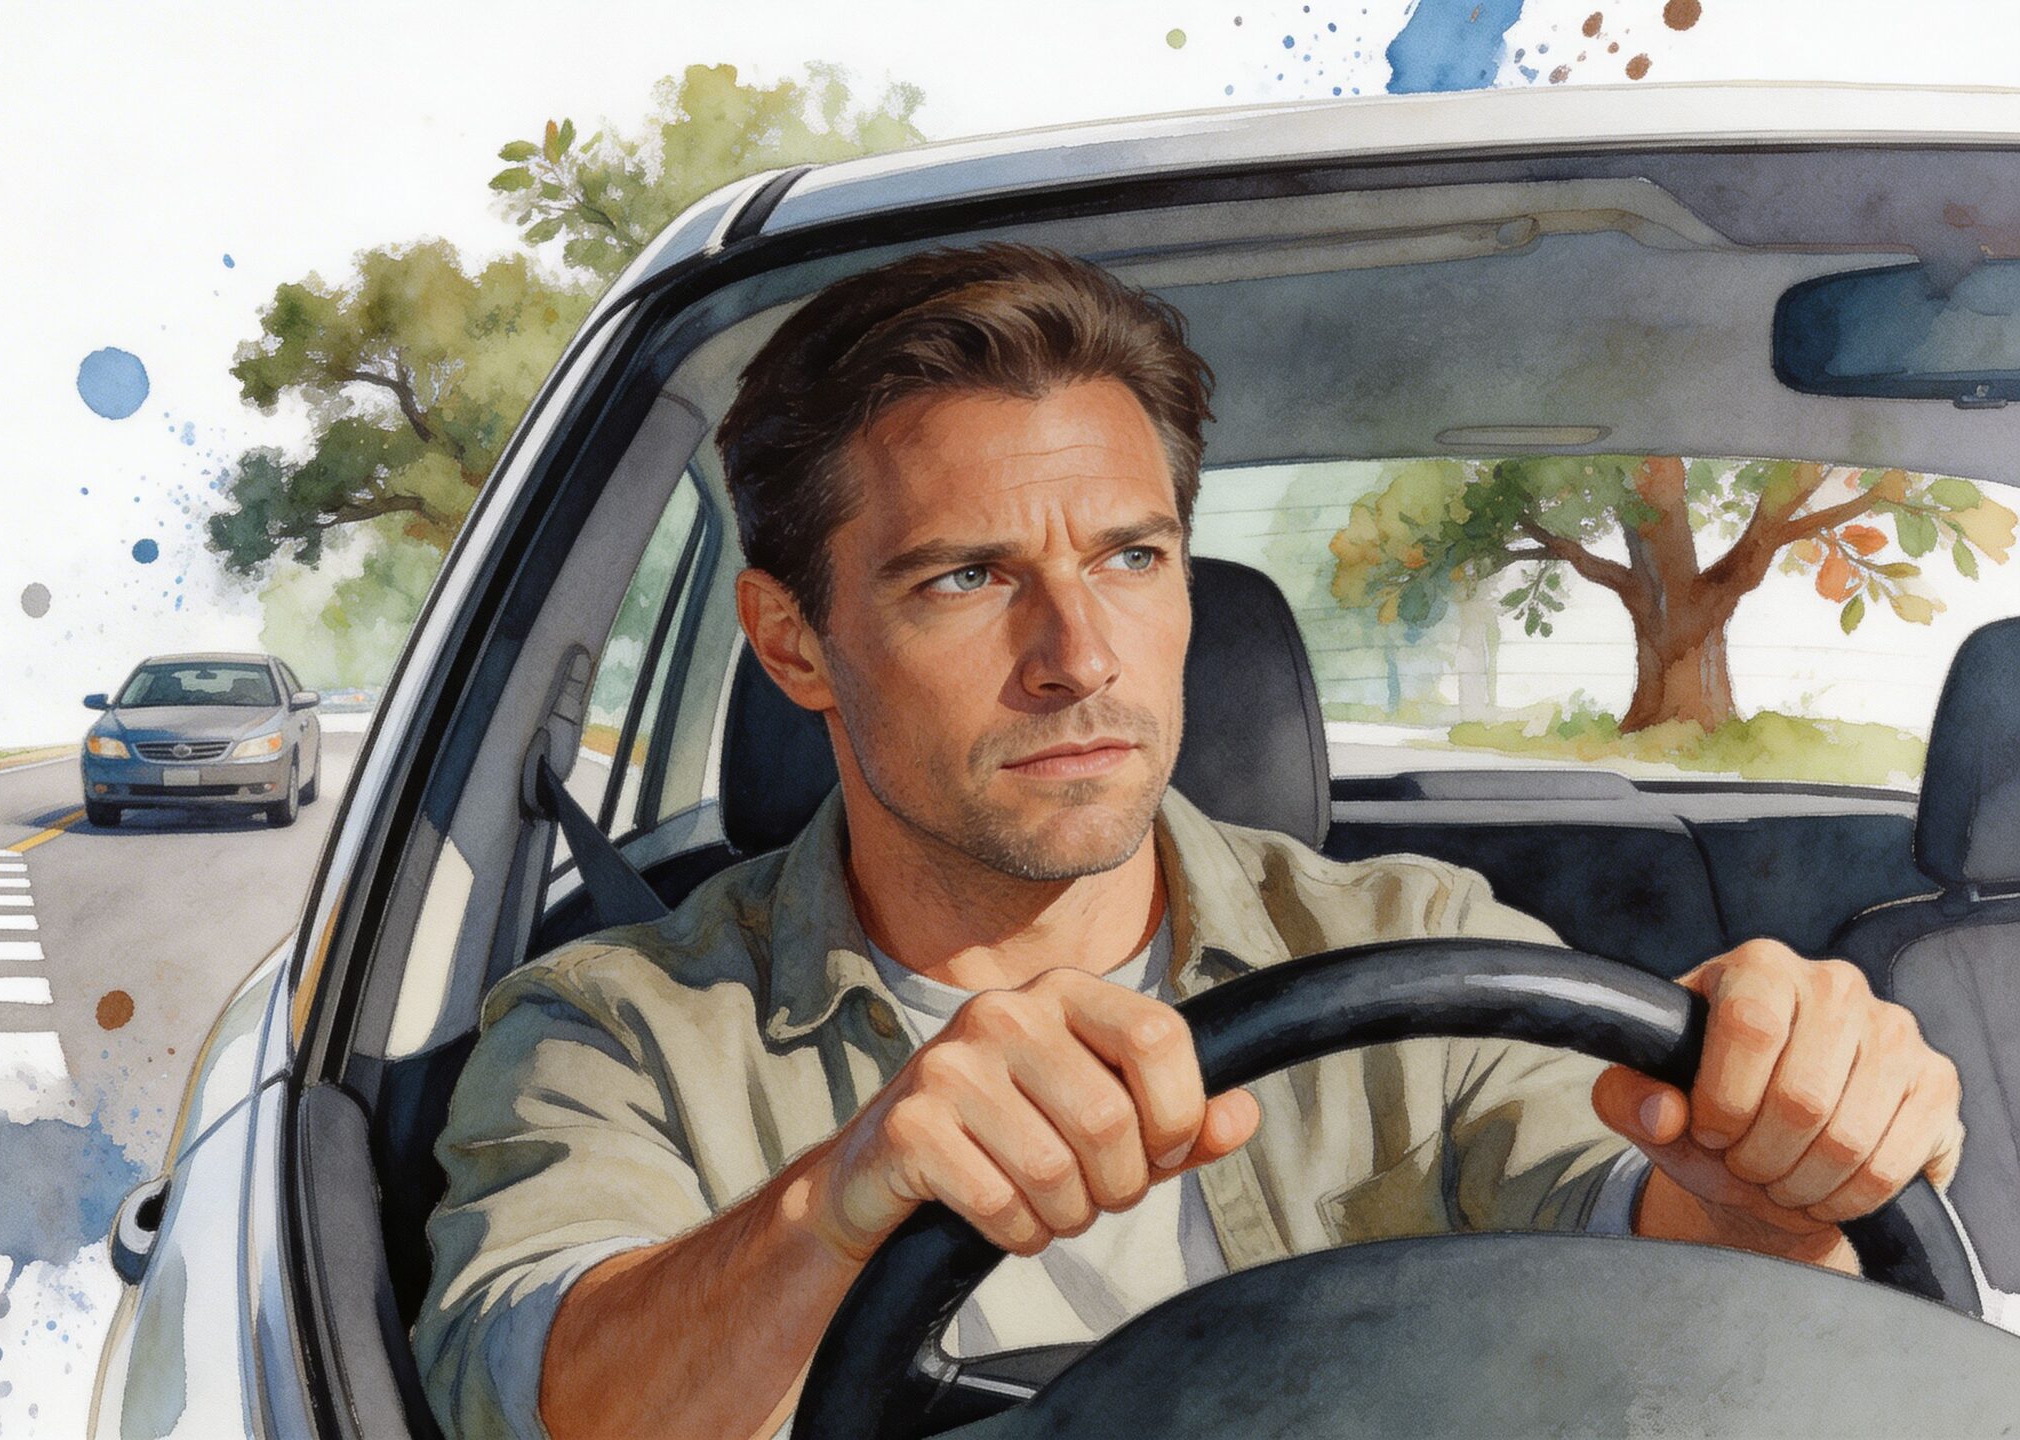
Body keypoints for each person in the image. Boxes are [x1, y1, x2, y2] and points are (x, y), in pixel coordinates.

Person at [415, 245, 1968, 1440]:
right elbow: (541, 1395)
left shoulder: (1419, 945)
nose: (1078, 654)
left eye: (1131, 557)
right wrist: (837, 1205)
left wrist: (1775, 1171)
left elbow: (1653, 1250)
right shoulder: (620, 1027)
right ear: (794, 642)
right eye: (965, 577)